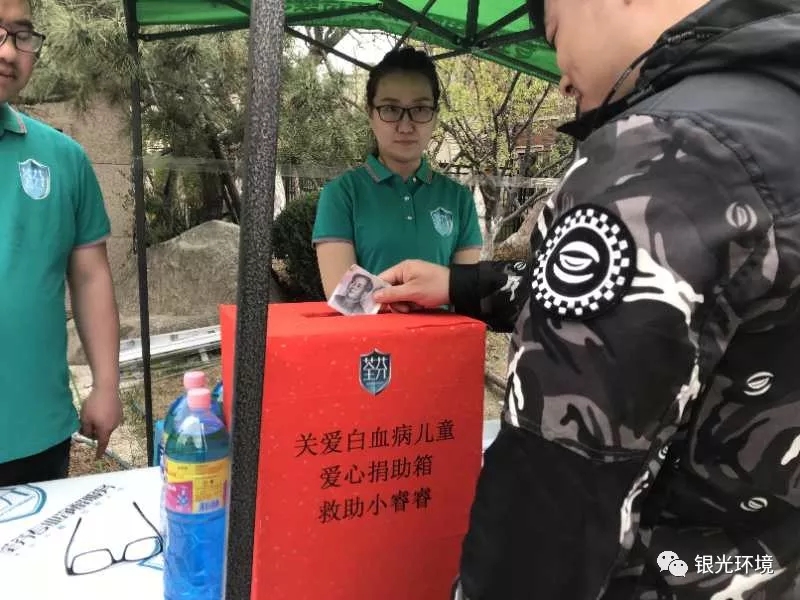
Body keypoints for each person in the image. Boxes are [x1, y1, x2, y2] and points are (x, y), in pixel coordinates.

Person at [373, 0, 800, 598]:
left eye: (556, 34)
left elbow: (554, 484)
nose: (562, 77)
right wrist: (460, 285)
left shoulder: (665, 152)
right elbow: (682, 303)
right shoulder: (777, 113)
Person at [0, 0, 121, 486]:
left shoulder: (63, 158)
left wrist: (107, 385)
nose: (8, 51)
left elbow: (91, 276)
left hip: (37, 434)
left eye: (21, 35)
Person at [312, 47, 482, 299]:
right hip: (366, 328)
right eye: (391, 109)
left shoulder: (459, 199)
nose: (405, 126)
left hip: (443, 328)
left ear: (435, 116)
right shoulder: (341, 195)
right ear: (370, 114)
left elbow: (467, 295)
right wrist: (415, 298)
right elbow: (344, 297)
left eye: (420, 109)